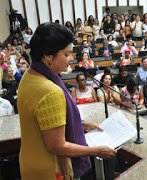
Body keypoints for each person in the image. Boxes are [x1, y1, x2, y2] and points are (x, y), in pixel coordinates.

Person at [17, 23, 116, 179]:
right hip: (51, 170)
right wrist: (97, 151)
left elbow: (43, 120)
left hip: (30, 162)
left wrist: (82, 125)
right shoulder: (51, 91)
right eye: (67, 54)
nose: (71, 58)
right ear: (48, 55)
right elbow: (57, 146)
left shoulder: (30, 76)